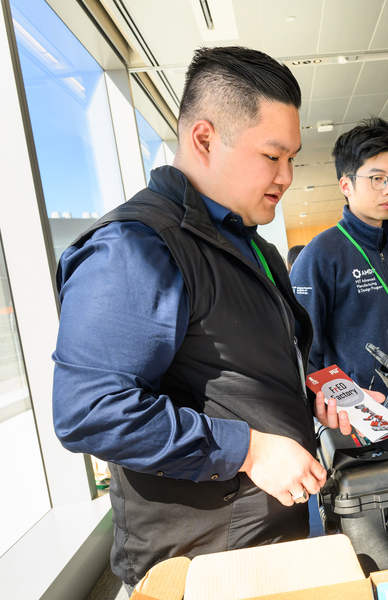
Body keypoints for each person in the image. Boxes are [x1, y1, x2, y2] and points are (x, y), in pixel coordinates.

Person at [52, 47, 354, 588]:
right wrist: (250, 449)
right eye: (272, 155)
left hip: (267, 540)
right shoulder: (138, 248)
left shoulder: (246, 242)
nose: (286, 176)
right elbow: (90, 410)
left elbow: (233, 374)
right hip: (200, 566)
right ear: (205, 139)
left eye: (293, 158)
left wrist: (319, 396)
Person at [292, 118, 388, 400]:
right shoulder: (321, 255)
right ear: (346, 185)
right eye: (377, 178)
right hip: (361, 415)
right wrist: (340, 401)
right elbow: (301, 351)